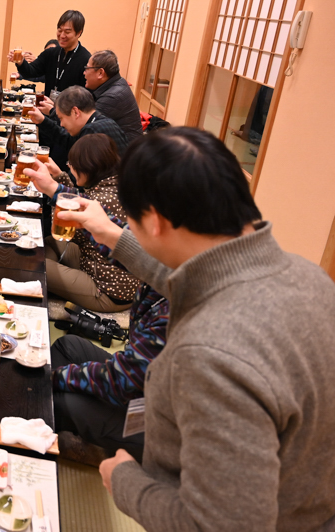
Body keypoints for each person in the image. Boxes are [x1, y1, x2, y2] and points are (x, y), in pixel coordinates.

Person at [54, 127, 335, 531]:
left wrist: (126, 482)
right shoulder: (307, 276)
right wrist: (109, 233)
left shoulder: (209, 351)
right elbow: (182, 276)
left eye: (131, 220)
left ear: (155, 221)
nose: (128, 228)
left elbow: (217, 525)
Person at [51, 282, 169, 465]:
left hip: (160, 421)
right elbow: (134, 364)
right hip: (141, 384)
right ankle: (70, 429)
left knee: (60, 402)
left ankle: (107, 452)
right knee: (68, 346)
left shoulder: (179, 310)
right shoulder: (157, 286)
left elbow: (122, 380)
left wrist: (57, 377)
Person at [28, 133, 139, 311]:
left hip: (107, 291)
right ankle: (52, 279)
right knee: (45, 244)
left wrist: (54, 192)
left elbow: (69, 235)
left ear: (88, 168)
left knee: (33, 265)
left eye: (72, 165)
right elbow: (79, 201)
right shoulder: (115, 185)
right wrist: (59, 176)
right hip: (95, 266)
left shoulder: (101, 198)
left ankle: (48, 281)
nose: (70, 168)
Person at [30, 86, 129, 174]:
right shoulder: (104, 122)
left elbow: (77, 182)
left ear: (75, 112)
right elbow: (69, 141)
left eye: (61, 118)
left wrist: (58, 176)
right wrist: (43, 121)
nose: (61, 124)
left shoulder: (91, 133)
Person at [8, 10, 90, 97]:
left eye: (67, 32)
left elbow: (86, 96)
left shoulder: (86, 59)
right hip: (47, 104)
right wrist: (20, 61)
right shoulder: (51, 53)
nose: (62, 35)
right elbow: (30, 72)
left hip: (70, 105)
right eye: (60, 30)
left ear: (79, 33)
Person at [83, 50, 142, 143]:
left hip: (126, 150)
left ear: (100, 73)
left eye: (87, 68)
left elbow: (85, 127)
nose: (84, 73)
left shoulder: (113, 97)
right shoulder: (117, 82)